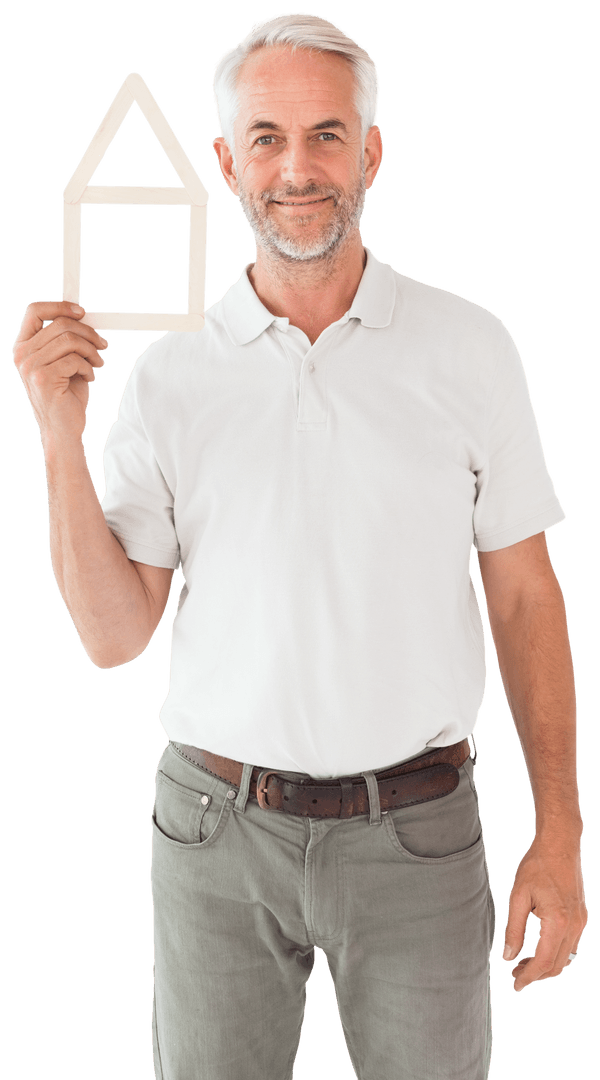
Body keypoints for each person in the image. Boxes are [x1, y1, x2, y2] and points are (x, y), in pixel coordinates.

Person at [12, 12, 588, 1080]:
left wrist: (561, 833)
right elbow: (111, 635)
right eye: (267, 138)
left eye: (328, 135)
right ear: (229, 163)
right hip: (213, 836)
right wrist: (58, 434)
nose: (298, 168)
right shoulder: (173, 378)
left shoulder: (471, 346)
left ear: (370, 151)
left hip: (419, 836)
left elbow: (523, 594)